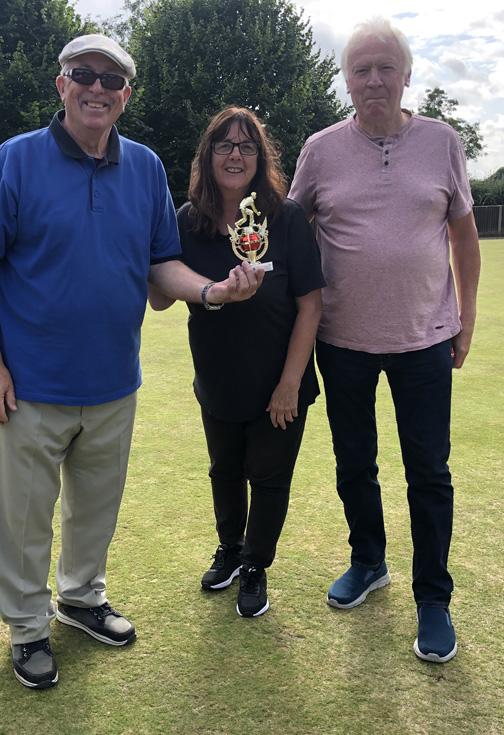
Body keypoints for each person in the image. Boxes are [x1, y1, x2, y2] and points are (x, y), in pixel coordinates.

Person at [0, 34, 264, 690]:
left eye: (112, 79)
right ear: (62, 84)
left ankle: (80, 598)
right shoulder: (16, 160)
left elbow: (161, 265)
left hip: (113, 380)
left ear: (126, 95)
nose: (97, 87)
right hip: (29, 385)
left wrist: (211, 291)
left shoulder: (146, 167)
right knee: (22, 517)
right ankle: (26, 628)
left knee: (94, 508)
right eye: (84, 75)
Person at [288, 17, 481, 663]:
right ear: (346, 80)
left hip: (426, 337)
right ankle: (369, 562)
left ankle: (434, 598)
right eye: (360, 69)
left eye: (384, 67)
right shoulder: (319, 149)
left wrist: (467, 319)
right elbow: (293, 235)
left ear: (405, 74)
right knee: (355, 466)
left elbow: (464, 237)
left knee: (429, 472)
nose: (373, 79)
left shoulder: (442, 142)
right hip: (342, 340)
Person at [148, 107, 324, 618]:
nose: (235, 155)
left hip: (279, 381)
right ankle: (229, 550)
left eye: (247, 146)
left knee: (268, 478)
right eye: (224, 145)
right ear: (208, 156)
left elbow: (310, 304)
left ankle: (255, 565)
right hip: (218, 377)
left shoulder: (286, 217)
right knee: (224, 471)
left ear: (260, 157)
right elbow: (160, 298)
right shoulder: (188, 220)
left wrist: (291, 381)